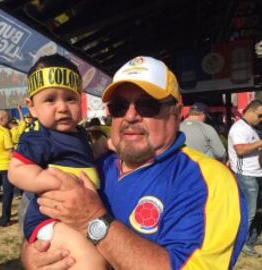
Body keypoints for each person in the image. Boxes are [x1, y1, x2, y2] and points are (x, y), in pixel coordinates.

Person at [21, 56, 248, 270]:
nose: (130, 116)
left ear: (177, 112)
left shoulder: (206, 180)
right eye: (119, 106)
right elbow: (42, 223)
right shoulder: (93, 162)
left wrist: (93, 221)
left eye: (147, 105)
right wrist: (32, 256)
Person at [8, 54, 107, 269]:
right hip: (49, 219)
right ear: (32, 107)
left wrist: (105, 146)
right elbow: (16, 170)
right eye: (50, 99)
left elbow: (85, 159)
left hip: (72, 216)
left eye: (70, 99)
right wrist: (54, 181)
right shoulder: (39, 135)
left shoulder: (79, 133)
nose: (62, 107)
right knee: (93, 261)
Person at [228, 99, 262, 257]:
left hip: (254, 173)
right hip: (246, 175)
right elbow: (240, 150)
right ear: (249, 111)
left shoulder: (250, 128)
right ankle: (242, 243)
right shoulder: (239, 128)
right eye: (260, 115)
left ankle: (250, 238)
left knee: (253, 210)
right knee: (248, 212)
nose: (261, 119)